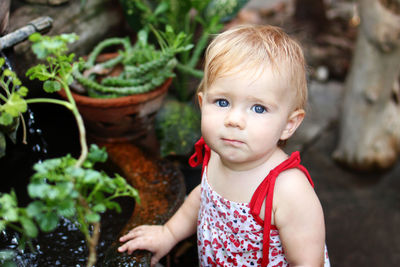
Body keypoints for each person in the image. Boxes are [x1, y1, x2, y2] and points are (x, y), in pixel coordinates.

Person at [118, 24, 330, 267]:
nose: (234, 120)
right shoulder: (217, 157)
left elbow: (307, 262)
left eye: (258, 108)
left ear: (289, 124)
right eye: (221, 102)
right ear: (202, 103)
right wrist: (169, 234)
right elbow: (203, 198)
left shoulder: (289, 190)